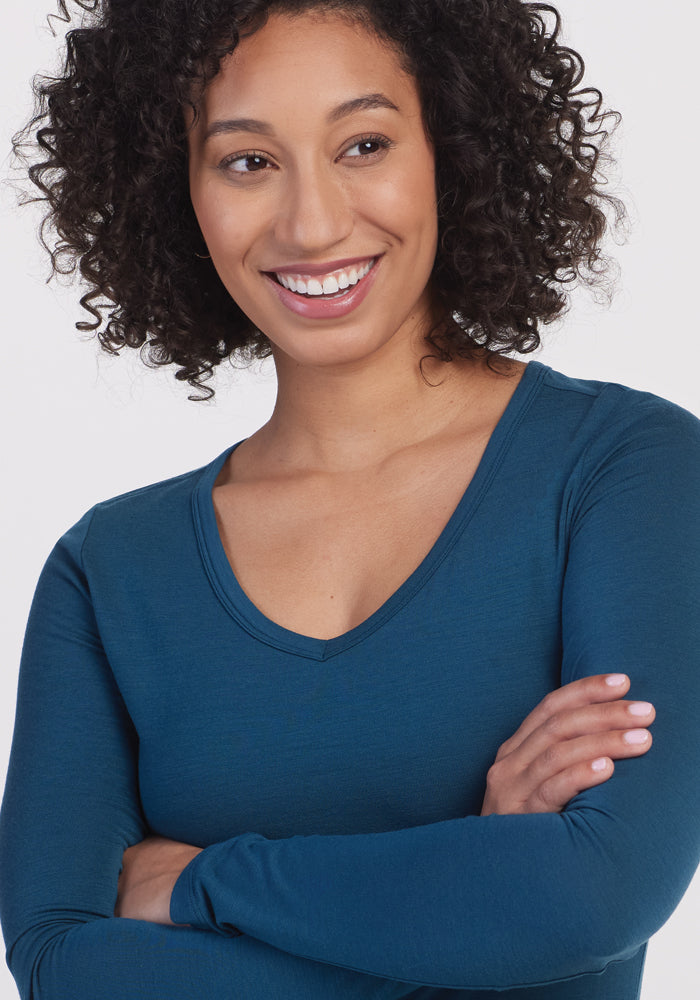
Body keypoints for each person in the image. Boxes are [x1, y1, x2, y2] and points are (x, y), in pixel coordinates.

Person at [0, 1, 698, 998]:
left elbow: (593, 896)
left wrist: (198, 878)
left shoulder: (623, 471)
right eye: (247, 161)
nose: (312, 222)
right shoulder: (110, 569)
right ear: (175, 189)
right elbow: (65, 962)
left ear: (450, 149)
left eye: (363, 144)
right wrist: (475, 902)